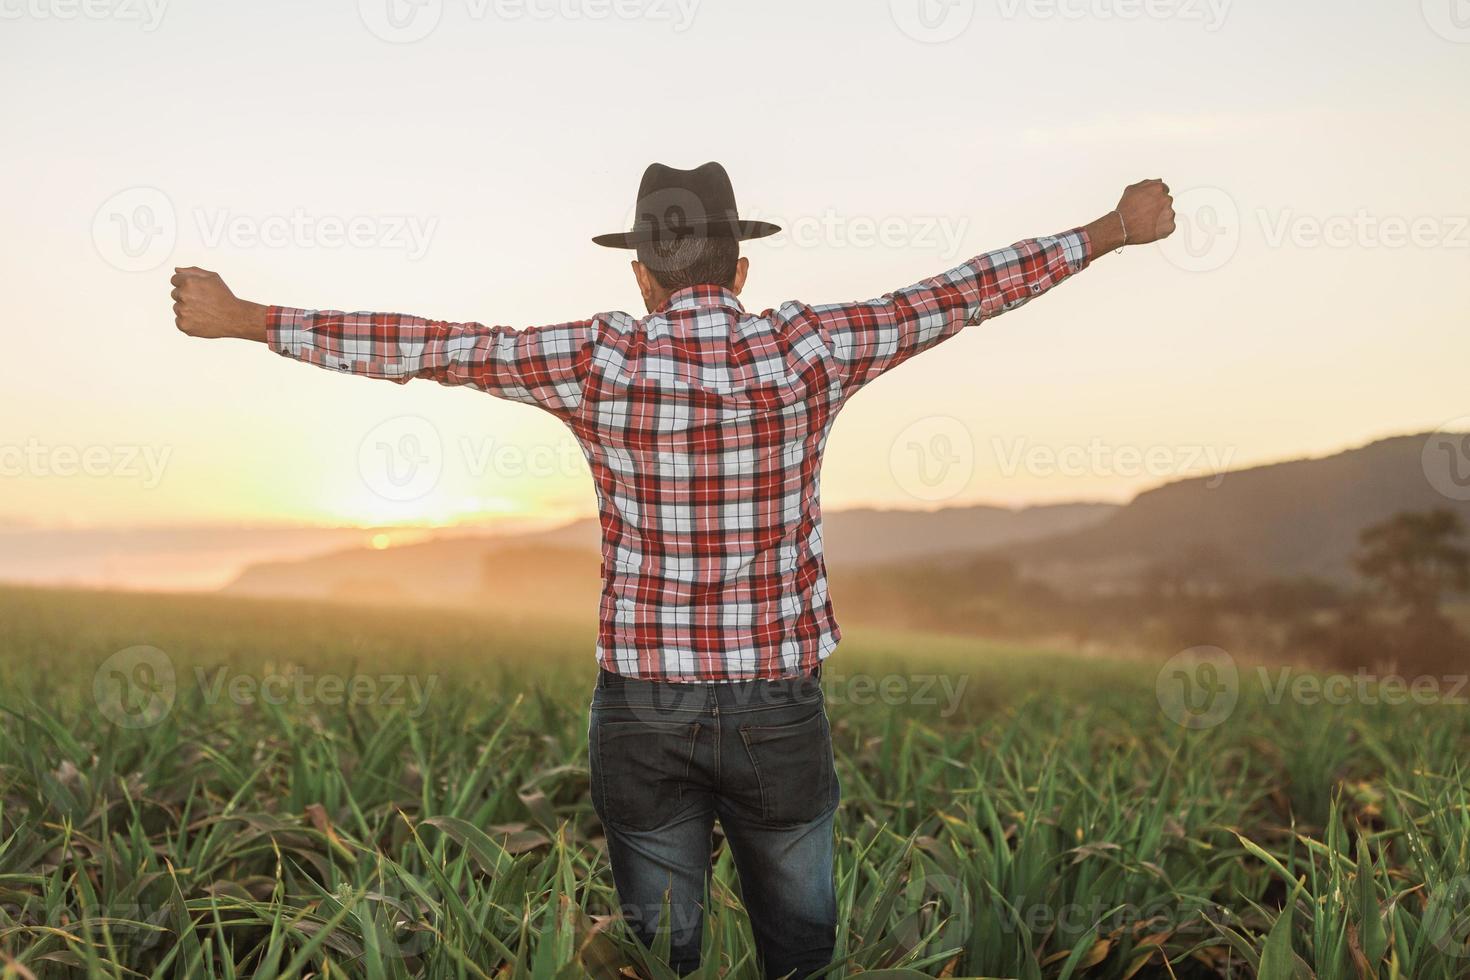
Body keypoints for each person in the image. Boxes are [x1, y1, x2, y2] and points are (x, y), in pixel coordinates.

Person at [171, 161, 1176, 978]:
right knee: (802, 949)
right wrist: (1109, 229)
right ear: (740, 272)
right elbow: (959, 296)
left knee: (662, 953)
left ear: (642, 277)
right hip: (780, 706)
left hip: (642, 709)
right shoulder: (811, 348)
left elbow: (440, 346)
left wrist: (252, 317)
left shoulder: (597, 358)